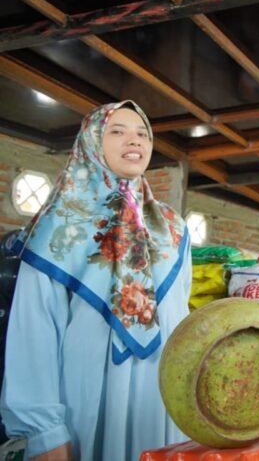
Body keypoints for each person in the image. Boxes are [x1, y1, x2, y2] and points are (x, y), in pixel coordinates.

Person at [0, 101, 191, 461]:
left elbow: (180, 313)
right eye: (117, 131)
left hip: (161, 397)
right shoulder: (59, 226)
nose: (133, 140)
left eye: (142, 133)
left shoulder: (173, 228)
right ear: (91, 142)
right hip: (84, 392)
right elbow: (35, 329)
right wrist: (46, 432)